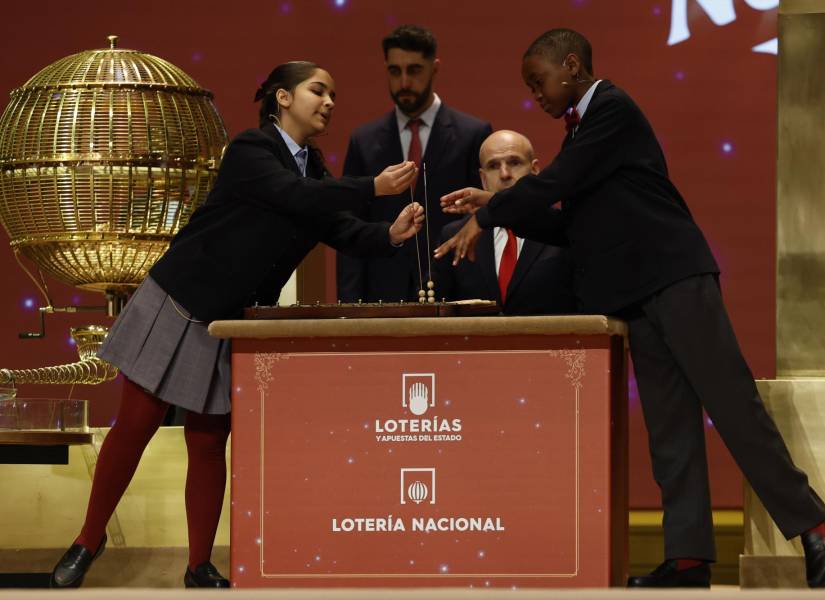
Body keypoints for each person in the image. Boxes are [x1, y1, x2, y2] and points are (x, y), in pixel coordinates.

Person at [435, 29, 825, 588]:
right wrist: (496, 203)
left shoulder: (611, 109)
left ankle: (815, 526)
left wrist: (489, 215)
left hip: (675, 277)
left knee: (732, 405)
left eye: (538, 81)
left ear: (571, 66)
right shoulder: (581, 133)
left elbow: (559, 184)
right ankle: (688, 560)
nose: (535, 96)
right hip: (635, 293)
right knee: (670, 431)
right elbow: (569, 223)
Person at [50, 61, 423, 589]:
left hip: (229, 321)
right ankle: (88, 540)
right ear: (281, 98)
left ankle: (198, 565)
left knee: (208, 440)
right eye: (318, 90)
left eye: (334, 94)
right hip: (179, 300)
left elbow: (339, 227)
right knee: (136, 424)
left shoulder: (314, 170)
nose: (330, 102)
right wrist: (372, 187)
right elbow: (292, 198)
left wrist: (390, 233)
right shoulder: (252, 150)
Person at [337, 24, 492, 303]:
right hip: (382, 292)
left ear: (435, 67)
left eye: (414, 70)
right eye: (395, 71)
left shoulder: (473, 134)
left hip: (454, 288)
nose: (404, 82)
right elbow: (350, 225)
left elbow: (481, 218)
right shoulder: (364, 140)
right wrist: (349, 304)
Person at [434, 130, 574, 315]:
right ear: (483, 179)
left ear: (535, 170)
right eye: (493, 166)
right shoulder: (454, 235)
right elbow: (437, 310)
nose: (505, 174)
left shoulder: (566, 227)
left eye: (514, 162)